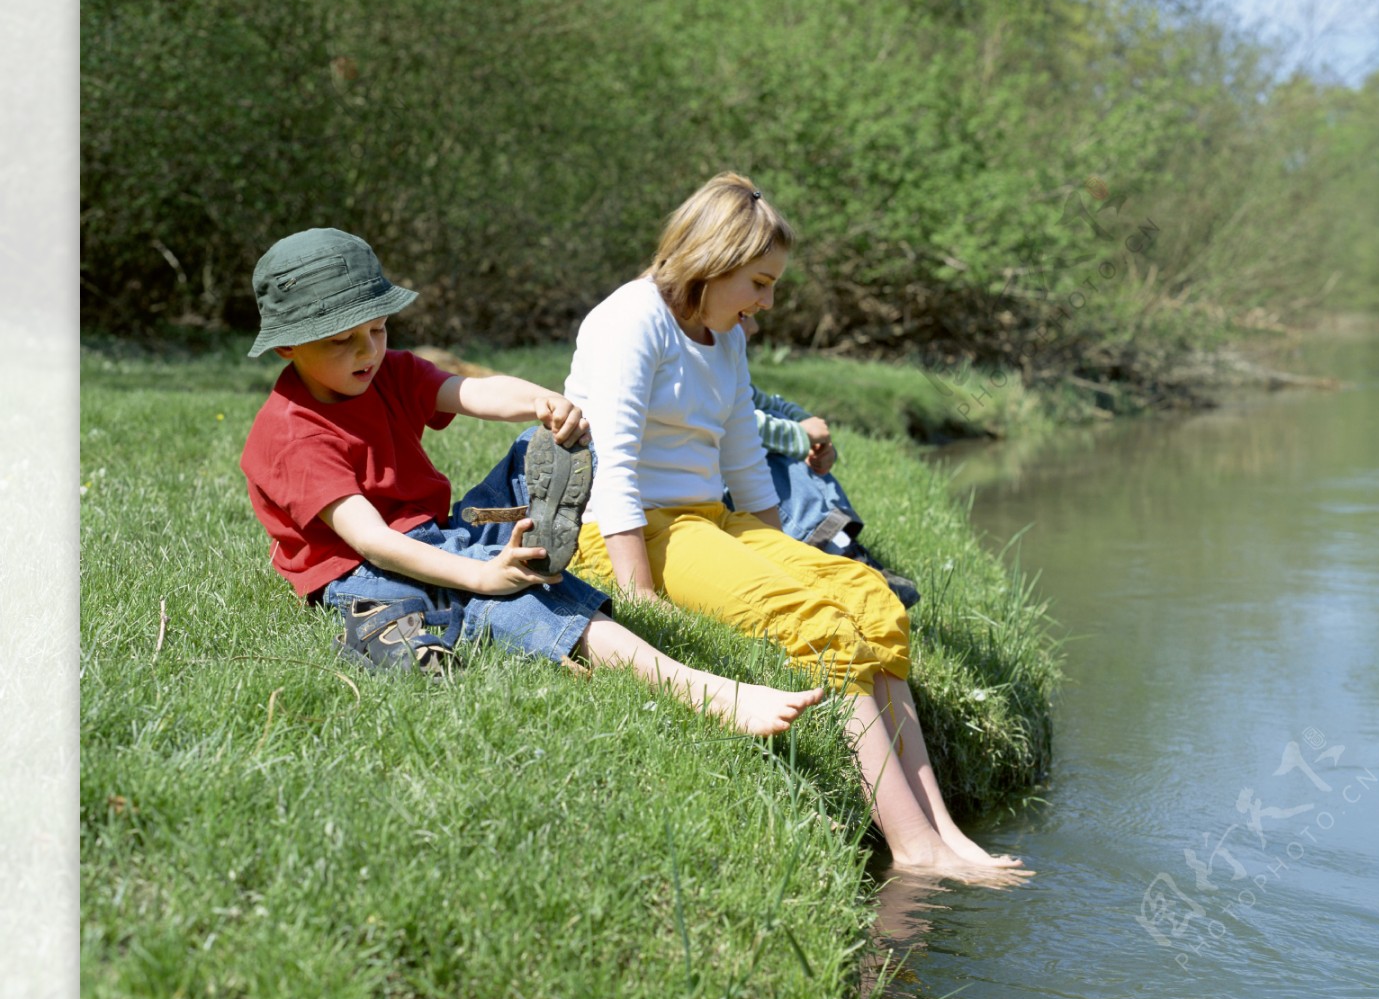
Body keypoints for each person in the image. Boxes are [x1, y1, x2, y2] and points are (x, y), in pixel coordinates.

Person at [564, 173, 1026, 875]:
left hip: (707, 520)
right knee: (816, 624)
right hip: (623, 530)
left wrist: (781, 553)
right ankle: (913, 849)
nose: (767, 302)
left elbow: (746, 462)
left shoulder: (726, 338)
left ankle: (945, 831)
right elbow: (614, 466)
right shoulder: (631, 321)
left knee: (871, 601)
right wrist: (641, 598)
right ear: (711, 261)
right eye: (759, 282)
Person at [238, 227, 823, 738]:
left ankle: (515, 557)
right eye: (342, 340)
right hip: (361, 567)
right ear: (288, 346)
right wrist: (480, 576)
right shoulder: (293, 436)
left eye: (379, 328)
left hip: (430, 529)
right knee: (510, 595)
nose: (367, 350)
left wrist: (541, 402)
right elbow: (371, 541)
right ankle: (699, 689)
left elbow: (469, 392)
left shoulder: (384, 372)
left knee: (533, 451)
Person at [737, 318, 921, 608]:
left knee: (784, 428)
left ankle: (844, 549)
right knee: (761, 450)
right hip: (706, 491)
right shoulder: (699, 369)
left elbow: (769, 403)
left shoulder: (727, 371)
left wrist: (808, 428)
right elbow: (734, 425)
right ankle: (834, 556)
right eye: (744, 317)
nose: (756, 327)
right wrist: (800, 436)